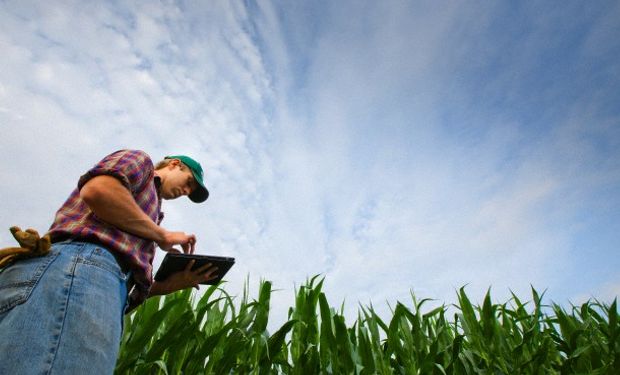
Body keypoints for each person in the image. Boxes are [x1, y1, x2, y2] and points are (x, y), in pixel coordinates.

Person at [0, 149, 217, 374]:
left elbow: (118, 284)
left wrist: (165, 286)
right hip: (81, 268)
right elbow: (98, 190)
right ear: (174, 164)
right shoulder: (141, 162)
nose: (187, 191)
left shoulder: (151, 212)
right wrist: (163, 235)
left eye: (191, 190)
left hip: (86, 279)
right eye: (189, 181)